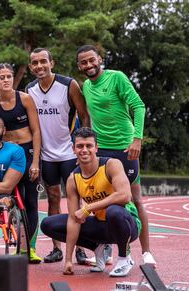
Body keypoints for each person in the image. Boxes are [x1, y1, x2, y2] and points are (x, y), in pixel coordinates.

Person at [76, 44, 156, 266]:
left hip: (124, 146)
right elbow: (87, 118)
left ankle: (146, 251)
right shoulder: (86, 87)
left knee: (133, 198)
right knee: (100, 198)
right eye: (84, 62)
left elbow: (138, 106)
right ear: (79, 66)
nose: (89, 65)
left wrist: (137, 139)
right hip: (101, 149)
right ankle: (106, 248)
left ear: (100, 58)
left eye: (92, 60)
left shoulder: (116, 78)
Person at [41, 127, 141, 277]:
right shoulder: (73, 179)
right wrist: (68, 260)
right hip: (101, 225)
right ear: (73, 149)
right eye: (80, 146)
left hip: (127, 224)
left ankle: (124, 258)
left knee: (114, 211)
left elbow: (125, 196)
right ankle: (98, 247)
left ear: (96, 148)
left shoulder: (111, 165)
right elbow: (74, 219)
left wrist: (88, 208)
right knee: (48, 224)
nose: (84, 150)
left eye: (89, 146)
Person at [26, 48, 91, 264]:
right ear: (30, 67)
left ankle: (81, 247)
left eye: (43, 61)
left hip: (68, 152)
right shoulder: (30, 89)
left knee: (76, 198)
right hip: (46, 155)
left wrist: (84, 145)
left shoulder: (68, 84)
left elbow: (83, 114)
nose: (39, 66)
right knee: (53, 198)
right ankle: (57, 248)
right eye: (34, 63)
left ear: (51, 63)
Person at [0, 63, 42, 263]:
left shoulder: (25, 99)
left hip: (28, 153)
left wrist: (35, 161)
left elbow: (36, 131)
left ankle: (31, 248)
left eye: (9, 76)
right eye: (2, 77)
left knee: (30, 203)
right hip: (8, 157)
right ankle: (16, 241)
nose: (7, 80)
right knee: (11, 199)